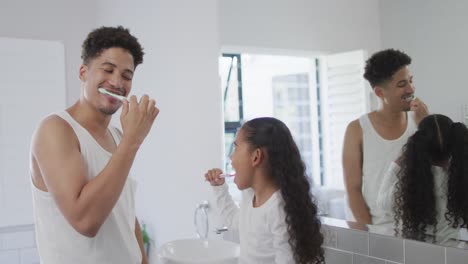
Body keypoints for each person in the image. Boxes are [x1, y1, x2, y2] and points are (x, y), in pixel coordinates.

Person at [29, 26, 158, 264]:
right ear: (83, 72)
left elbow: (126, 215)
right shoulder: (56, 130)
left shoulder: (118, 136)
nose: (117, 82)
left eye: (127, 76)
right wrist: (133, 140)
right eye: (108, 70)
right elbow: (85, 221)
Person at [205, 117, 324, 264]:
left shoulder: (278, 208)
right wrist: (219, 188)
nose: (231, 157)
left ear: (256, 156)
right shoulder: (250, 196)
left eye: (236, 148)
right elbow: (234, 222)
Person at [342, 49, 428, 225]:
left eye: (411, 81)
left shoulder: (419, 120)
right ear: (380, 92)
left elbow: (436, 169)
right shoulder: (357, 129)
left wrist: (426, 127)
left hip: (419, 229)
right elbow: (353, 189)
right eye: (402, 84)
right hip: (378, 230)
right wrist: (370, 235)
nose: (411, 88)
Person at [377, 114, 468, 243]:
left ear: (418, 147)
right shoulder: (461, 183)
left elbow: (382, 203)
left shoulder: (408, 186)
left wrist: (398, 162)